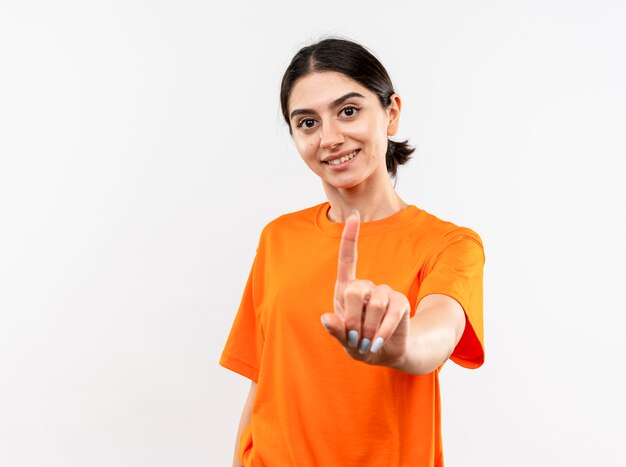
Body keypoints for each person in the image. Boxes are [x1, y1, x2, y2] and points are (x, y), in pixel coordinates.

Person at [219, 37, 485, 467]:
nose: (330, 138)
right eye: (307, 123)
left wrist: (399, 348)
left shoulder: (450, 244)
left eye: (348, 111)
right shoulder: (278, 238)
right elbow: (262, 384)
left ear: (391, 112)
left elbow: (438, 332)